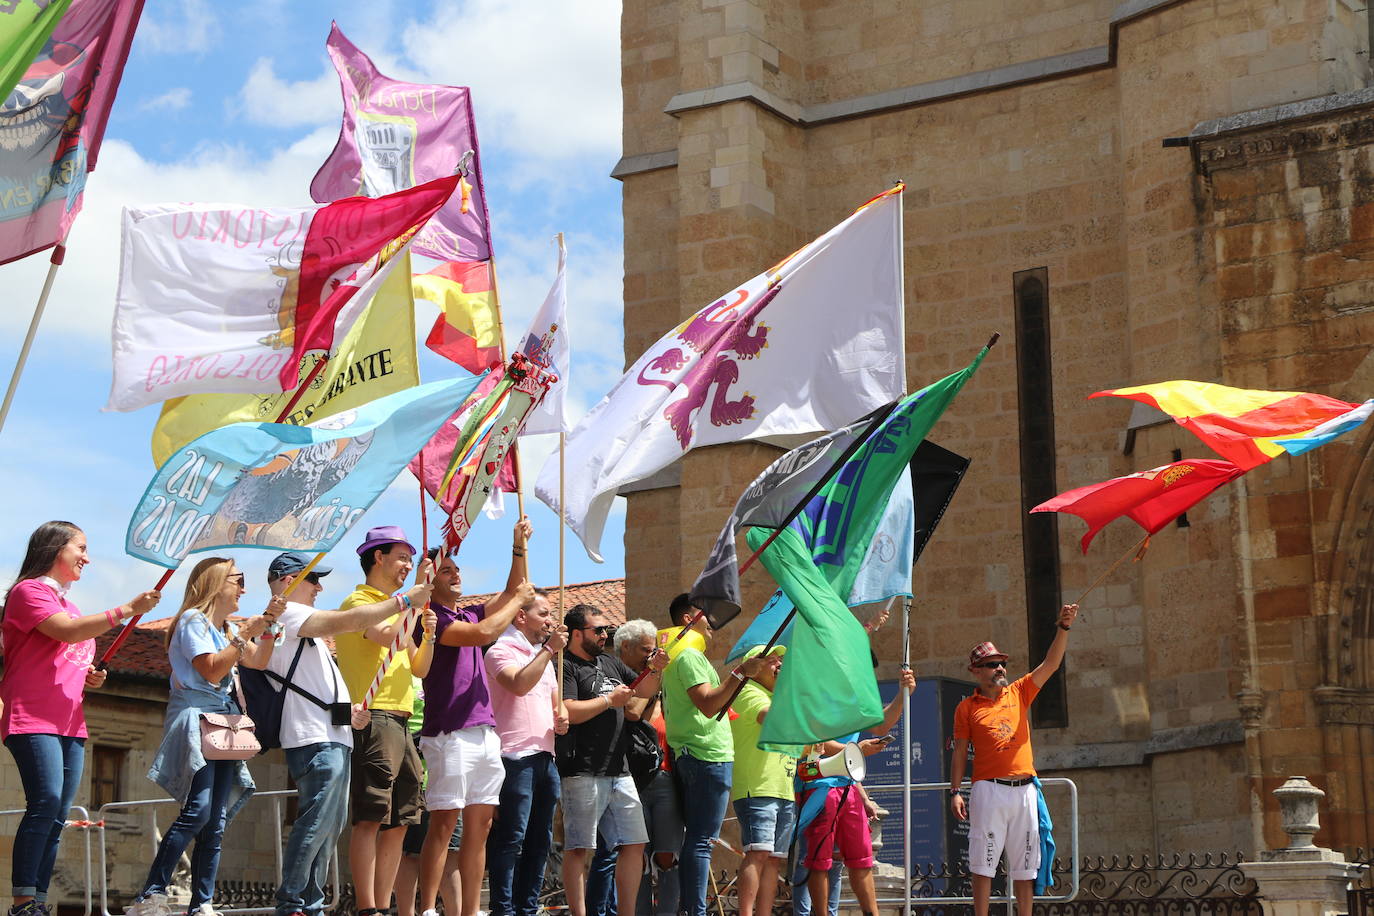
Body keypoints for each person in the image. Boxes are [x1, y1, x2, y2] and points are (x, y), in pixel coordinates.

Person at [1, 521, 161, 916]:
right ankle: (22, 901)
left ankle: (37, 901)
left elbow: (70, 649)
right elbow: (67, 632)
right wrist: (127, 609)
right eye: (81, 548)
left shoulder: (70, 604)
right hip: (32, 716)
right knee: (47, 800)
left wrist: (92, 677)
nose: (87, 558)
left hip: (71, 722)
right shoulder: (29, 592)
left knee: (58, 814)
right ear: (56, 549)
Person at [261, 552, 434, 916]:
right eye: (312, 580)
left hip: (333, 733)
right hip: (313, 740)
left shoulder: (303, 628)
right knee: (318, 822)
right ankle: (294, 903)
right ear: (286, 581)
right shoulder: (289, 615)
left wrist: (346, 712)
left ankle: (310, 903)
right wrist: (407, 599)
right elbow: (350, 621)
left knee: (329, 827)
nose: (319, 588)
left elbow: (314, 687)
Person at [125, 557, 283, 916]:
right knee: (198, 810)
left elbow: (259, 662)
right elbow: (212, 671)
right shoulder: (193, 621)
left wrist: (269, 623)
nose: (244, 588)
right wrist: (246, 634)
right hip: (198, 718)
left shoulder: (225, 628)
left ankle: (203, 903)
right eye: (238, 580)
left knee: (216, 818)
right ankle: (151, 893)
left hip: (221, 723)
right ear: (215, 582)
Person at [415, 519, 536, 916]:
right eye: (446, 570)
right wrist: (520, 602)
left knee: (480, 828)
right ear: (429, 581)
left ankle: (469, 910)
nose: (456, 574)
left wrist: (518, 547)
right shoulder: (432, 621)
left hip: (484, 733)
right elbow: (488, 631)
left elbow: (509, 593)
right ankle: (429, 909)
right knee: (444, 824)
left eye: (456, 569)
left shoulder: (465, 614)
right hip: (449, 733)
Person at [334, 527, 437, 916]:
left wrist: (426, 635)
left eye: (410, 559)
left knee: (400, 820)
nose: (407, 566)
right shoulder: (358, 600)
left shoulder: (399, 606)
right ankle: (367, 907)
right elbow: (382, 635)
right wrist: (410, 601)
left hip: (403, 722)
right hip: (374, 716)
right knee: (372, 815)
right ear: (378, 558)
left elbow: (418, 666)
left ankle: (381, 904)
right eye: (402, 558)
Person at [950, 604, 1078, 916]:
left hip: (1024, 791)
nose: (1000, 668)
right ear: (976, 671)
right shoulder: (966, 708)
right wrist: (954, 791)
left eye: (1002, 662)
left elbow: (1051, 663)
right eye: (992, 664)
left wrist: (1063, 627)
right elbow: (959, 752)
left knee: (1025, 866)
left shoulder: (1020, 691)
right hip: (988, 790)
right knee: (983, 863)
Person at [658, 594, 767, 916]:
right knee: (702, 840)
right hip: (705, 755)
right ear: (691, 617)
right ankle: (695, 910)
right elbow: (708, 703)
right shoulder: (689, 655)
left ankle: (692, 908)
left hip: (698, 754)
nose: (714, 625)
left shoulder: (684, 655)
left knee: (698, 839)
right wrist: (741, 673)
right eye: (708, 616)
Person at [558, 604, 666, 916]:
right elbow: (567, 711)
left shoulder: (608, 661)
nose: (605, 635)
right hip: (582, 770)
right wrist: (608, 701)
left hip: (619, 770)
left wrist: (656, 667)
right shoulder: (564, 664)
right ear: (577, 633)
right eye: (598, 630)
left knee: (634, 844)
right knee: (579, 847)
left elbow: (644, 687)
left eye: (607, 629)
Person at [796, 662, 915, 916]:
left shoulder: (852, 699)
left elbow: (881, 726)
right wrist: (858, 751)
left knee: (862, 858)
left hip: (847, 787)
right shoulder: (812, 695)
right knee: (820, 862)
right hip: (819, 785)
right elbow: (815, 742)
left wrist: (903, 694)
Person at [587, 619, 683, 916]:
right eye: (645, 651)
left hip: (664, 774)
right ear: (624, 648)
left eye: (654, 652)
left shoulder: (658, 682)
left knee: (667, 856)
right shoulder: (613, 676)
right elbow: (632, 711)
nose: (651, 657)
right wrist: (651, 677)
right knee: (634, 853)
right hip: (629, 776)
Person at [484, 587, 569, 916]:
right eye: (544, 613)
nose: (550, 620)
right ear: (521, 616)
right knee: (512, 838)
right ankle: (502, 909)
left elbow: (556, 703)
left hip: (546, 758)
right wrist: (548, 650)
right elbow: (518, 684)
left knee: (541, 840)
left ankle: (527, 908)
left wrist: (562, 717)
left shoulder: (544, 658)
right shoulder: (499, 650)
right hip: (514, 757)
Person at [729, 645, 794, 916]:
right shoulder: (747, 691)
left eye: (781, 660)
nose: (779, 664)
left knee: (774, 861)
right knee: (757, 854)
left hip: (783, 789)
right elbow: (769, 718)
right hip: (758, 787)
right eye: (772, 661)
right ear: (755, 668)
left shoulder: (774, 696)